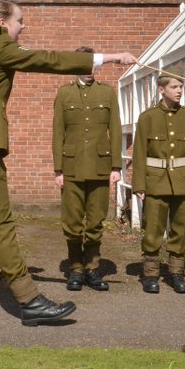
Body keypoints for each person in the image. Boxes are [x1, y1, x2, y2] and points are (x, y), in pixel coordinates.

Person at [0, 0, 136, 325]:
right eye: (20, 20)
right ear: (3, 22)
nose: (24, 26)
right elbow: (47, 59)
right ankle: (29, 301)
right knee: (1, 224)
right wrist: (107, 57)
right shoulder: (0, 47)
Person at [51, 47, 121, 292]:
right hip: (70, 167)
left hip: (101, 166)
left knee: (95, 221)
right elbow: (58, 133)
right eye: (85, 64)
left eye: (94, 65)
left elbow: (116, 129)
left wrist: (116, 167)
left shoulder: (107, 93)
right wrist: (58, 170)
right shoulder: (64, 94)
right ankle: (76, 269)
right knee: (72, 222)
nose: (91, 70)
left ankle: (92, 268)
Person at [132, 72, 185, 294]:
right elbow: (140, 152)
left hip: (182, 182)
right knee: (153, 229)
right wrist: (139, 185)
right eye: (174, 86)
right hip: (155, 182)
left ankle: (176, 273)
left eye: (181, 86)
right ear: (161, 90)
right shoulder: (148, 117)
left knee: (180, 229)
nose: (179, 91)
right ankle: (150, 274)